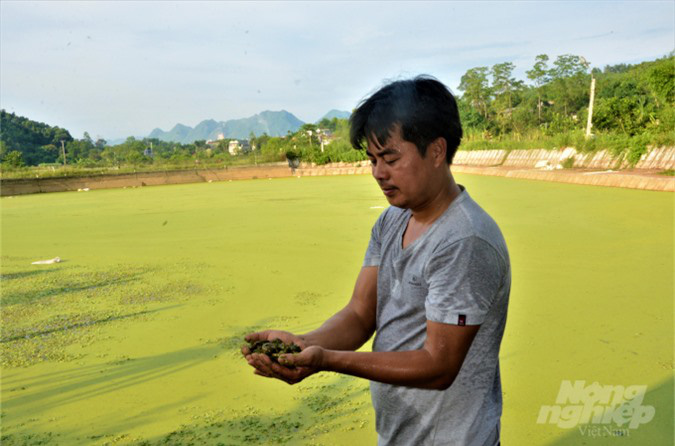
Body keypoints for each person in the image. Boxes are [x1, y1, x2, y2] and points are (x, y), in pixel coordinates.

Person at [242, 76, 510, 446]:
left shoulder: (465, 240)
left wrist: (326, 360)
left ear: (436, 151)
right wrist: (303, 345)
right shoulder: (393, 219)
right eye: (372, 160)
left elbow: (439, 365)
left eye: (391, 159)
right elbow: (360, 313)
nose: (378, 174)